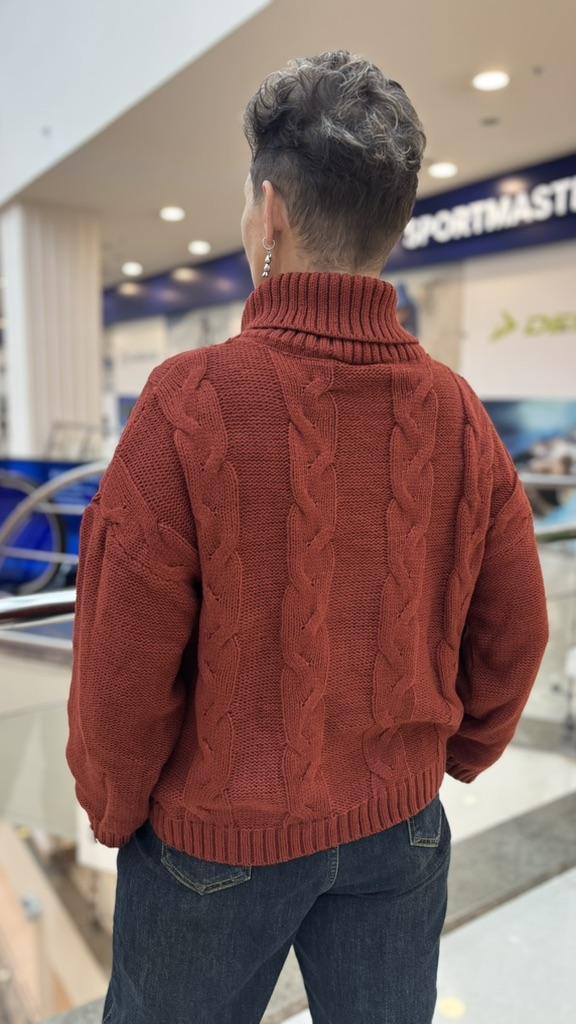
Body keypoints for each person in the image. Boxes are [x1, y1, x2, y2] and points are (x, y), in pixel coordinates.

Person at [66, 50, 549, 1024]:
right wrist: (449, 754)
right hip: (399, 829)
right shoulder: (457, 411)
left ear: (271, 210)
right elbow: (518, 628)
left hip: (212, 846)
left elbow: (120, 665)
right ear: (395, 224)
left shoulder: (188, 402)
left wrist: (115, 809)